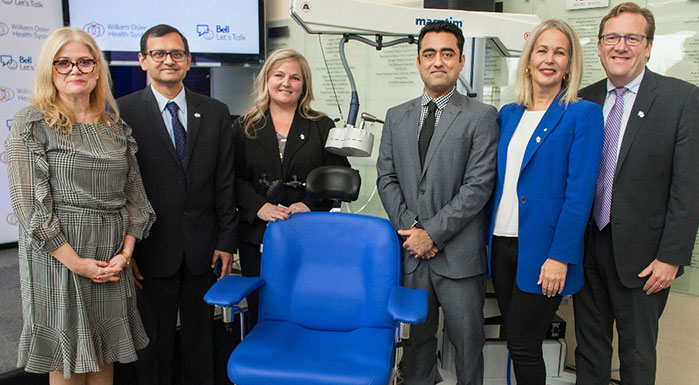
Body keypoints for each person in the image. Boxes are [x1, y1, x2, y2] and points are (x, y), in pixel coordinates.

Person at [5, 27, 156, 384]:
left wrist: (125, 255)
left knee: (105, 357)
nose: (76, 70)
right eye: (64, 63)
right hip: (58, 260)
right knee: (68, 363)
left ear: (97, 70)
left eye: (85, 62)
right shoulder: (33, 123)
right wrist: (78, 264)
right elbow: (30, 208)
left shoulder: (115, 127)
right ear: (50, 70)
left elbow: (137, 199)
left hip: (110, 258)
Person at [574, 3, 699, 384]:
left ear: (648, 47)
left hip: (645, 257)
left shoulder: (680, 99)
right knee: (589, 349)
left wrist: (671, 257)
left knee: (636, 354)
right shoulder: (583, 98)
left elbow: (689, 186)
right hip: (587, 247)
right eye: (612, 38)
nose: (621, 46)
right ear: (600, 47)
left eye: (632, 38)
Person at [377, 20, 498, 385]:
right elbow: (386, 178)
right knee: (416, 346)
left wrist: (431, 233)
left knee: (467, 346)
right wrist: (414, 230)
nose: (438, 61)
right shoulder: (397, 116)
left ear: (461, 61)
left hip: (459, 258)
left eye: (448, 54)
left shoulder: (482, 117)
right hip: (412, 257)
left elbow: (478, 186)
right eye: (429, 54)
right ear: (418, 62)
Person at [117, 24, 237, 385]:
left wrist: (226, 242)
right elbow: (119, 188)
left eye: (176, 54)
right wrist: (128, 250)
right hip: (150, 251)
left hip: (204, 248)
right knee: (155, 344)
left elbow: (224, 181)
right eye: (158, 54)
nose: (168, 60)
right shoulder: (122, 112)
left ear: (188, 61)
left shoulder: (215, 111)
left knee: (201, 341)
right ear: (142, 61)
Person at [487, 19, 603, 385]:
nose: (549, 59)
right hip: (502, 244)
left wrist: (560, 257)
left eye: (560, 52)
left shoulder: (582, 114)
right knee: (518, 344)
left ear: (569, 64)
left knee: (523, 343)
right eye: (542, 50)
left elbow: (580, 193)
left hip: (544, 251)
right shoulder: (508, 114)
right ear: (528, 60)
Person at [234, 48, 350, 332]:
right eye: (279, 75)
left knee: (307, 305)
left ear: (304, 85)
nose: (286, 83)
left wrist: (310, 204)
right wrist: (258, 206)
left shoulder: (321, 125)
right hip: (257, 235)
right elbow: (232, 178)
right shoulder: (244, 126)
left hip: (309, 232)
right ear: (267, 80)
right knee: (262, 309)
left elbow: (339, 176)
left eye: (295, 77)